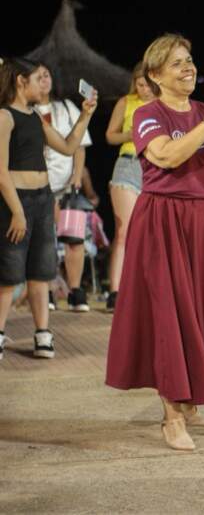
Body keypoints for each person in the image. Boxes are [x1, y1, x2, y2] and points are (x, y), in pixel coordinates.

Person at [105, 34, 204, 451]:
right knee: (168, 315)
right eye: (177, 63)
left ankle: (191, 403)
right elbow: (168, 156)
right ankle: (172, 418)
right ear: (155, 75)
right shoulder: (147, 114)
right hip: (163, 220)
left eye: (190, 61)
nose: (188, 68)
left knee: (203, 310)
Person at [0, 57, 97, 361]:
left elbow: (68, 147)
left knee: (41, 272)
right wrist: (16, 210)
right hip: (15, 201)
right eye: (36, 78)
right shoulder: (4, 117)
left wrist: (84, 117)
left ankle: (43, 333)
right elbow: (0, 173)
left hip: (43, 200)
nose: (42, 85)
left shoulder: (36, 117)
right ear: (20, 81)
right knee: (9, 273)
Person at [34, 63, 93, 312]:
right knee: (44, 241)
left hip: (68, 188)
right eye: (37, 76)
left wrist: (77, 177)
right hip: (38, 188)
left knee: (74, 239)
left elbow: (79, 145)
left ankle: (75, 290)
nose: (43, 79)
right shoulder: (25, 111)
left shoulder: (67, 108)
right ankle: (47, 291)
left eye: (46, 75)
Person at [104, 62, 155, 312]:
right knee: (124, 231)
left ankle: (143, 290)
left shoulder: (163, 103)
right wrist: (131, 134)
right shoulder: (126, 102)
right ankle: (115, 291)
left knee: (148, 234)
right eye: (139, 82)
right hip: (128, 165)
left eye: (146, 83)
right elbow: (110, 135)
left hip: (155, 169)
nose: (142, 88)